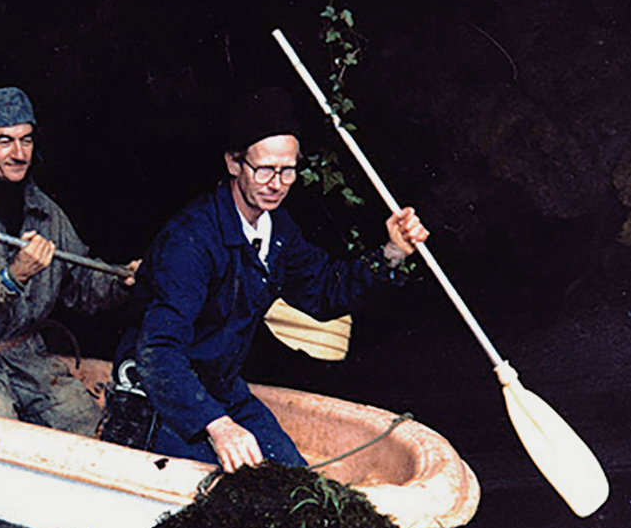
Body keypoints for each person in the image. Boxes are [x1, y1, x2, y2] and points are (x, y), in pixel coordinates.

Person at [109, 86, 428, 472]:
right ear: (233, 163)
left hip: (221, 388)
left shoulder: (278, 231)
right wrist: (220, 427)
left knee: (294, 480)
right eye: (263, 169)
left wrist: (391, 252)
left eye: (287, 170)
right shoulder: (191, 241)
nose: (276, 184)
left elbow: (325, 291)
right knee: (241, 494)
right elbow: (158, 350)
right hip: (158, 397)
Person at [0, 86, 140, 436]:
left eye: (26, 140)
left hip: (27, 355)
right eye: (4, 140)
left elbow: (82, 288)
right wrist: (13, 276)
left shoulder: (46, 213)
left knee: (92, 430)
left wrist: (121, 281)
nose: (18, 153)